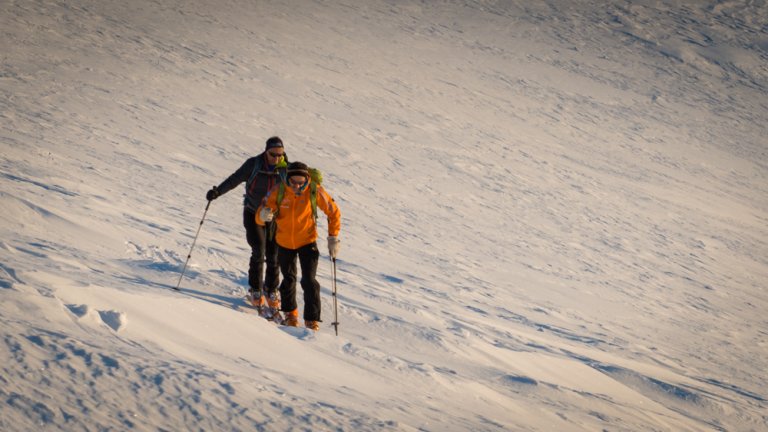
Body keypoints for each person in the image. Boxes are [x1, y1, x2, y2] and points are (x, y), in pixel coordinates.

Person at [206, 136, 288, 316]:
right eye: (273, 154)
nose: (276, 158)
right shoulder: (253, 164)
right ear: (266, 152)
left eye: (280, 155)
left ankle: (271, 289)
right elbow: (235, 179)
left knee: (274, 254)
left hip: (275, 217)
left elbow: (296, 190)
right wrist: (217, 191)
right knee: (259, 249)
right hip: (253, 213)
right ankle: (255, 289)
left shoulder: (285, 169)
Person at [256, 161, 341, 331]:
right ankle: (290, 314)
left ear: (307, 179)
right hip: (284, 242)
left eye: (300, 182)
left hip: (307, 241)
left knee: (309, 281)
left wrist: (333, 237)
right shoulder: (279, 191)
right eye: (293, 182)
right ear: (287, 179)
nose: (296, 186)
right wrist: (263, 215)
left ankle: (311, 320)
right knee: (289, 279)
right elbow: (260, 214)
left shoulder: (314, 191)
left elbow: (333, 211)